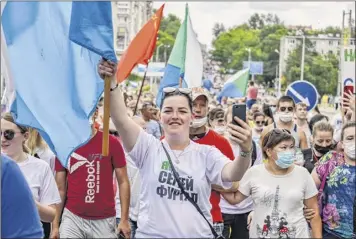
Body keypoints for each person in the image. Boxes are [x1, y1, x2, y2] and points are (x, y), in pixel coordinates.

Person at [98, 59, 252, 238]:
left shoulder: (206, 153)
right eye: (168, 110)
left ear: (191, 117)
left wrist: (245, 150)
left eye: (182, 111)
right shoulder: (148, 148)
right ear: (160, 116)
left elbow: (233, 174)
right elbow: (121, 119)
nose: (175, 116)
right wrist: (113, 82)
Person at [222, 129, 322, 238]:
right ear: (269, 151)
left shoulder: (302, 174)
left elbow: (314, 214)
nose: (289, 151)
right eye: (283, 147)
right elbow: (235, 198)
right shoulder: (254, 173)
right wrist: (215, 183)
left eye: (292, 147)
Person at [51, 110, 130, 239]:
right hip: (72, 218)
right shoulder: (63, 145)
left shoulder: (111, 142)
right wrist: (54, 226)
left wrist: (124, 219)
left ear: (95, 113)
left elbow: (123, 181)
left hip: (104, 220)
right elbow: (60, 189)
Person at [1, 113, 61, 239]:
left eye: (8, 133)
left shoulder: (40, 167)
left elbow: (51, 215)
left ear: (25, 136)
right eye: (0, 133)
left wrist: (27, 199)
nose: (3, 139)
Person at [220, 106, 264, 239]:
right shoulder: (217, 145)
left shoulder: (255, 148)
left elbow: (257, 180)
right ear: (227, 123)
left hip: (246, 212)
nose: (238, 125)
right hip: (221, 211)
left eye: (242, 121)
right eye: (234, 121)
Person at [311, 121, 356, 238]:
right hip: (332, 233)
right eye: (350, 138)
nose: (354, 142)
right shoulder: (330, 160)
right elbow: (309, 189)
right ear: (342, 143)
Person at [115, 116, 146, 239]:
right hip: (123, 214)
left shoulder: (150, 152)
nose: (143, 132)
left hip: (143, 216)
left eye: (145, 129)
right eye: (140, 128)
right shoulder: (119, 151)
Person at [1, 153, 44, 238]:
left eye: (8, 138)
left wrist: (29, 203)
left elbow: (52, 213)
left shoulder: (6, 167)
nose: (3, 140)